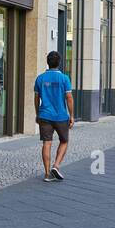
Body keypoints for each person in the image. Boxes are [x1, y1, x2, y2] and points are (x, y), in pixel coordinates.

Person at [34, 51, 75, 182]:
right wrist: (72, 115)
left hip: (44, 115)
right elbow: (69, 98)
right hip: (61, 116)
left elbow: (36, 98)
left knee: (47, 143)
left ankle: (47, 174)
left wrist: (37, 113)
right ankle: (56, 166)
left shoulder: (40, 78)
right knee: (64, 141)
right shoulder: (64, 78)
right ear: (59, 63)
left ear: (48, 62)